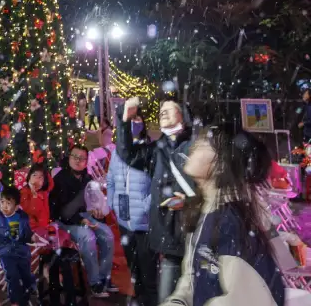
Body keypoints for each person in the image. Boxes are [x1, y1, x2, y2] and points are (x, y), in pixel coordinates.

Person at [162, 124, 284, 306]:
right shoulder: (204, 211)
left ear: (220, 165)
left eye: (204, 144)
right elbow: (193, 278)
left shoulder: (232, 224)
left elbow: (244, 299)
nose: (194, 146)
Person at [118, 97, 195, 302]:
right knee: (167, 298)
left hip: (196, 235)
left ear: (183, 116)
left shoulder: (197, 145)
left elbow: (213, 184)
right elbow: (127, 155)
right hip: (169, 240)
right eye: (161, 110)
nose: (163, 112)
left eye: (170, 109)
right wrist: (124, 121)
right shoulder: (157, 149)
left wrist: (190, 203)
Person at [49, 144, 116, 298]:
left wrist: (98, 213)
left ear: (86, 162)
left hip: (84, 216)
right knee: (88, 237)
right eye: (74, 157)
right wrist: (81, 220)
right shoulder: (59, 179)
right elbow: (60, 211)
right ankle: (94, 283)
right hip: (64, 221)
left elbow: (94, 202)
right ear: (69, 158)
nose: (77, 160)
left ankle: (104, 278)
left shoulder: (88, 178)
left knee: (107, 234)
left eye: (82, 158)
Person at [106, 116, 158, 306]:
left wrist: (145, 206)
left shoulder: (150, 151)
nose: (133, 124)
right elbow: (110, 179)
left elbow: (157, 184)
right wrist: (112, 202)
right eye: (129, 120)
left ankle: (152, 301)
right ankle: (139, 299)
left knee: (149, 272)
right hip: (123, 221)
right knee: (133, 268)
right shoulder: (117, 153)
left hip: (144, 223)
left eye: (137, 119)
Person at [0, 186, 36, 306]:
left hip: (21, 250)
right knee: (12, 274)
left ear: (16, 206)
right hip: (4, 250)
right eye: (2, 202)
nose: (4, 206)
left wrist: (32, 237)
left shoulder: (22, 217)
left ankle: (26, 294)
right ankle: (15, 301)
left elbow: (26, 234)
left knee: (26, 274)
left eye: (8, 203)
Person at [20, 163, 52, 236]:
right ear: (29, 178)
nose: (37, 179)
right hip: (31, 231)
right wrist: (34, 195)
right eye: (34, 175)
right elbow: (31, 212)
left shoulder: (43, 193)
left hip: (44, 227)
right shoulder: (24, 192)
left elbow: (51, 184)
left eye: (40, 177)